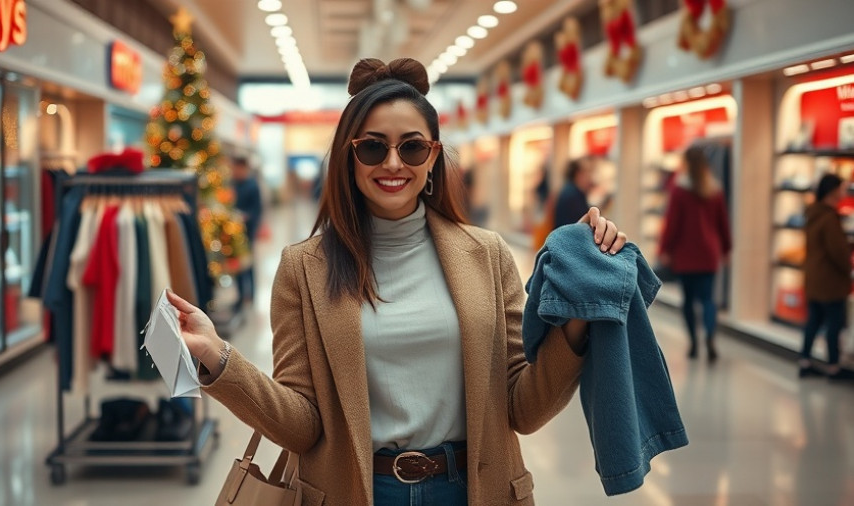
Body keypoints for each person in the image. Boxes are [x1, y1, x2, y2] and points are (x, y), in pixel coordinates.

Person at [166, 58, 627, 506]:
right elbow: (302, 427)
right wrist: (218, 358)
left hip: (472, 490)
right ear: (349, 157)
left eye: (411, 147)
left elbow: (522, 408)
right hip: (359, 491)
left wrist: (578, 314)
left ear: (433, 157)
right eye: (373, 147)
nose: (392, 163)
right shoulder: (304, 269)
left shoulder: (486, 255)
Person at [658, 146, 731, 363]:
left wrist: (665, 249)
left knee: (688, 301)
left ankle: (693, 343)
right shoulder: (715, 190)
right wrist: (726, 248)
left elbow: (672, 224)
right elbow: (722, 224)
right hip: (709, 254)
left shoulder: (679, 189)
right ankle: (709, 335)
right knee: (708, 300)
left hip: (686, 254)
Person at [798, 174, 852, 380]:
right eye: (842, 188)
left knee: (813, 321)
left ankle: (804, 361)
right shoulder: (830, 218)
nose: (844, 192)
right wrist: (848, 265)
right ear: (833, 191)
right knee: (833, 324)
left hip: (813, 277)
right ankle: (833, 367)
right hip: (830, 280)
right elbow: (837, 252)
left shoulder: (813, 214)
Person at [231, 156, 263, 312]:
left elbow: (257, 211)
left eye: (238, 168)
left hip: (247, 232)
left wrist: (247, 218)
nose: (236, 171)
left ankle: (252, 295)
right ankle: (240, 296)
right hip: (233, 232)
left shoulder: (252, 186)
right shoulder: (233, 185)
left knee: (248, 264)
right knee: (237, 264)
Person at [554, 157, 594, 229]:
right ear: (578, 174)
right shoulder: (573, 195)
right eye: (587, 172)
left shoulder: (570, 190)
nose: (590, 177)